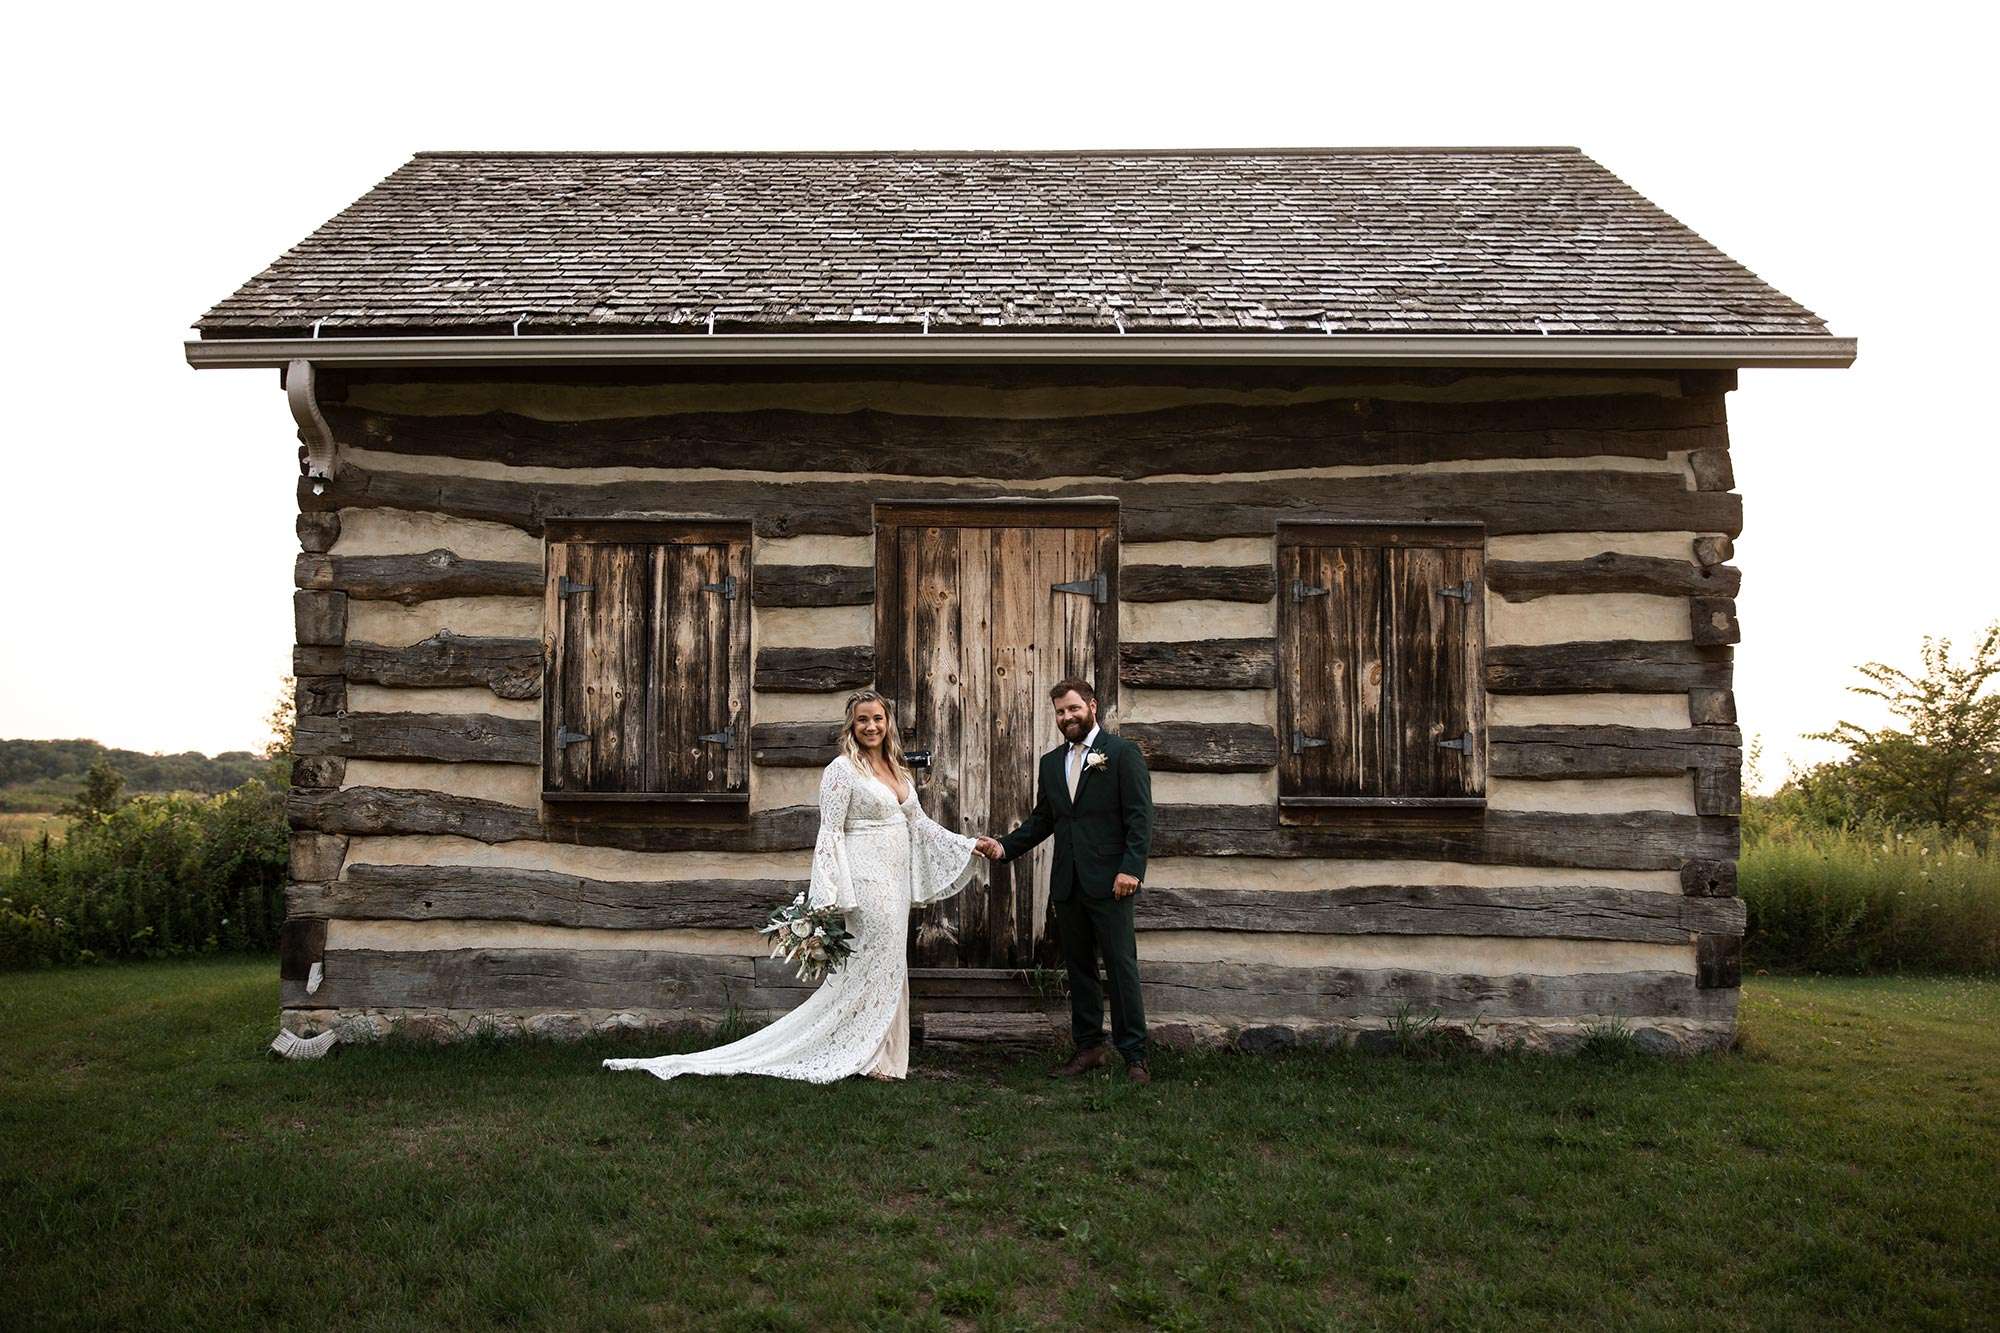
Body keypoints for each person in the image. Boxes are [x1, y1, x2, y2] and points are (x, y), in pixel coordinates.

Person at [602, 690, 981, 1084]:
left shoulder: (898, 770)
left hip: (895, 880)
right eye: (863, 719)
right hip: (867, 881)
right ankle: (859, 1051)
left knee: (888, 965)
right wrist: (825, 896)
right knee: (870, 965)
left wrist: (969, 845)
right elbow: (830, 834)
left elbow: (919, 825)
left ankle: (882, 1054)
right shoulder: (842, 770)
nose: (871, 726)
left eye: (878, 719)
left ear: (888, 724)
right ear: (851, 725)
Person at [975, 678, 1154, 1083]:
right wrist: (1004, 848)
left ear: (1092, 705)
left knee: (1121, 968)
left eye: (1073, 708)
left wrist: (1131, 869)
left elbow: (1140, 818)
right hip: (1068, 883)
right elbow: (1045, 820)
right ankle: (1089, 1047)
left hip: (1112, 882)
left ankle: (1134, 1055)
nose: (1066, 717)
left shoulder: (1122, 754)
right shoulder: (1052, 763)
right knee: (1080, 968)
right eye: (1059, 711)